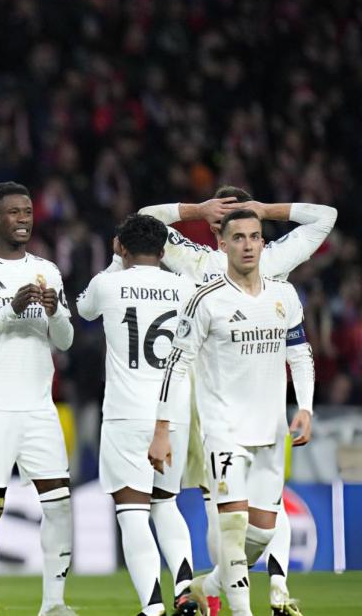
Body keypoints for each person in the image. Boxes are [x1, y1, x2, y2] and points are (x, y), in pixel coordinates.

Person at [139, 187, 336, 612]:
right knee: (228, 520)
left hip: (268, 421)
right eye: (236, 233)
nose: (247, 244)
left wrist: (305, 407)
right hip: (215, 414)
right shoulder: (199, 270)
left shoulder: (279, 282)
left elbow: (300, 352)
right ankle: (243, 607)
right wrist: (196, 209)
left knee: (260, 532)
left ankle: (209, 584)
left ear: (261, 238)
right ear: (220, 237)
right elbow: (145, 220)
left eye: (253, 234)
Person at [0, 182, 75, 616]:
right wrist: (10, 311)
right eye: (13, 212)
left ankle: (54, 604)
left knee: (59, 506)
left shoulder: (47, 270)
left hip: (39, 407)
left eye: (27, 211)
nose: (23, 219)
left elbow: (65, 340)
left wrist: (55, 311)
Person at [76, 214, 197, 616]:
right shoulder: (186, 287)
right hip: (173, 414)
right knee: (166, 503)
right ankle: (185, 588)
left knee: (133, 514)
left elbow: (84, 310)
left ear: (121, 247)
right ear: (163, 252)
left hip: (126, 414)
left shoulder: (107, 283)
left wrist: (115, 260)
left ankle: (153, 606)